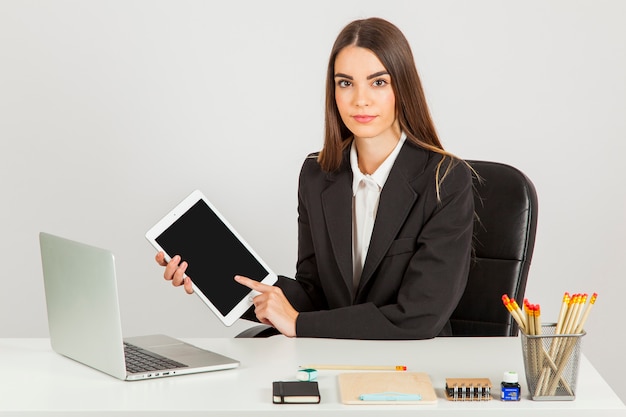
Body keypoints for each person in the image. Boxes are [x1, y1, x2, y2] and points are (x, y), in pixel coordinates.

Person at [156, 17, 474, 340]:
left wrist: (298, 325)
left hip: (411, 368)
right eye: (345, 83)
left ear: (402, 87)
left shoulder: (445, 180)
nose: (360, 99)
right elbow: (314, 296)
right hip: (331, 358)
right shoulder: (317, 175)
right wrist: (215, 278)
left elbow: (419, 316)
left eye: (378, 82)